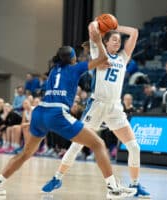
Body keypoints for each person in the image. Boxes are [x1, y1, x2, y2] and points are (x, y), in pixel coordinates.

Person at [0, 26, 136, 199]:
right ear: (73, 59)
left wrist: (93, 45)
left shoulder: (53, 70)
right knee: (98, 144)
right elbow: (103, 58)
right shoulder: (75, 68)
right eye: (76, 56)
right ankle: (113, 188)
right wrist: (97, 41)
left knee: (25, 154)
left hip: (39, 112)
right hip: (56, 114)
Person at [42, 20, 150, 198]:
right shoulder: (98, 53)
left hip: (115, 106)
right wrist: (102, 24)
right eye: (113, 39)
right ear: (106, 42)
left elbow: (134, 32)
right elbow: (92, 27)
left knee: (134, 147)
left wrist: (115, 27)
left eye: (118, 40)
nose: (117, 42)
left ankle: (135, 185)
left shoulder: (123, 57)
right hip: (97, 105)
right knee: (77, 145)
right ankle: (57, 178)